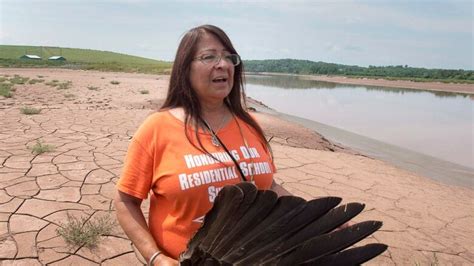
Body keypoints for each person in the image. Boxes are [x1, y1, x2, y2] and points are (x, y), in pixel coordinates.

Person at [114, 24, 290, 266]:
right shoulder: (157, 128)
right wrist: (156, 258)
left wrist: (319, 217)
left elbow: (268, 184)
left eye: (229, 57)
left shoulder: (250, 125)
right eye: (209, 56)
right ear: (185, 69)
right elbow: (125, 201)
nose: (223, 64)